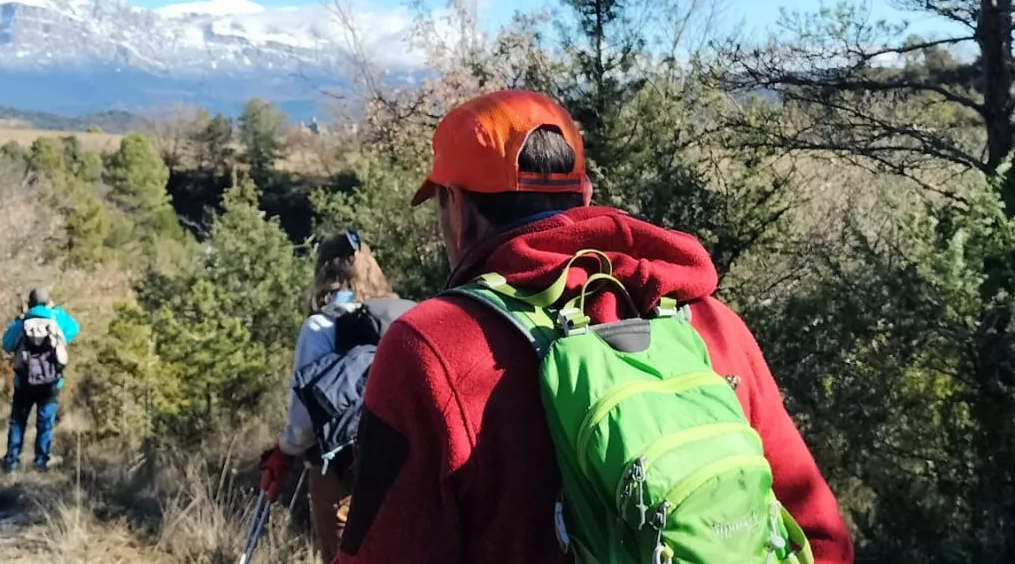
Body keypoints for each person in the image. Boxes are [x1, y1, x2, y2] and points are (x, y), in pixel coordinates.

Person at [333, 90, 854, 564]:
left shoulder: (430, 348)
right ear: (584, 194)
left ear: (458, 208)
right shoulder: (708, 323)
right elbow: (821, 535)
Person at [261, 230, 413, 563]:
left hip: (340, 472)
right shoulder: (403, 316)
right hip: (403, 465)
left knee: (343, 556)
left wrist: (284, 451)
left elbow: (302, 425)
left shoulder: (320, 326)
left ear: (324, 273)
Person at [1, 288, 79, 472]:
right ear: (48, 301)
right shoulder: (55, 318)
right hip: (51, 383)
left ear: (30, 302)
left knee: (18, 422)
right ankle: (40, 462)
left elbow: (6, 344)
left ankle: (12, 461)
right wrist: (56, 310)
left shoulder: (23, 322)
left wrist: (19, 318)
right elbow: (74, 329)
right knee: (45, 424)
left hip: (24, 382)